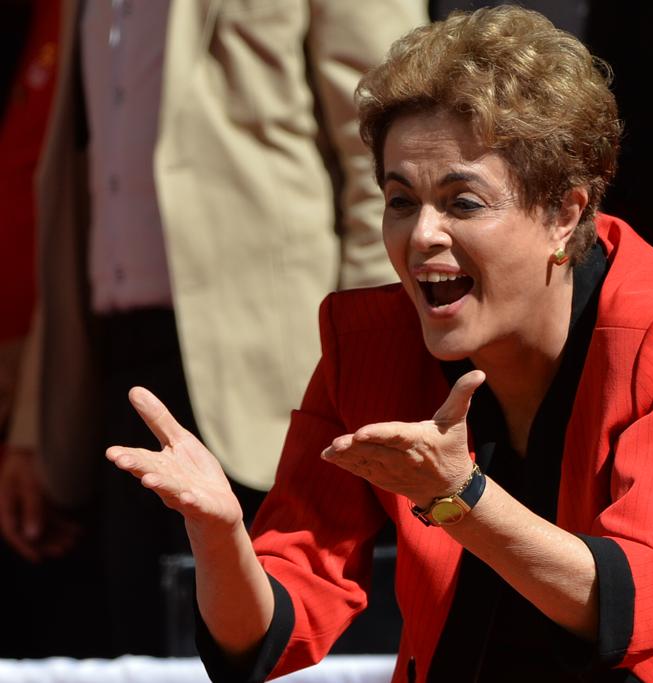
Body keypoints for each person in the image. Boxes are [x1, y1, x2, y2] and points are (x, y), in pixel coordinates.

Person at [107, 7, 653, 681]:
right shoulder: (367, 343)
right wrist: (220, 534)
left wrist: (457, 492)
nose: (421, 235)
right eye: (400, 199)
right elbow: (279, 625)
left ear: (565, 212)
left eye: (462, 202)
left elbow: (638, 601)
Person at [0, 0, 426, 656]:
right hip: (117, 369)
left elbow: (393, 153)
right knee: (142, 652)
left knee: (281, 645)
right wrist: (33, 419)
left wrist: (369, 365)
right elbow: (73, 188)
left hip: (282, 376)